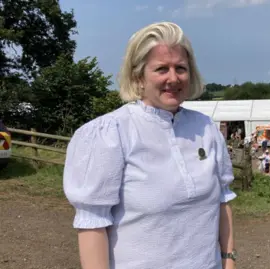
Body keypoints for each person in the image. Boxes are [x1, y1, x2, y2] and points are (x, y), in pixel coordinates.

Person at [62, 22, 237, 269]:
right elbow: (93, 223)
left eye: (181, 68)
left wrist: (228, 260)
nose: (173, 78)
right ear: (138, 77)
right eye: (162, 69)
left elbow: (222, 200)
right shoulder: (111, 133)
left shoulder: (206, 128)